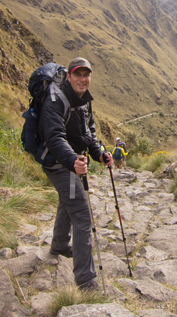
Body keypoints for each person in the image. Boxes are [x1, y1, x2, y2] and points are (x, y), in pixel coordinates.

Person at [38, 57, 113, 292]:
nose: (83, 79)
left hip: (73, 161)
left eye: (86, 74)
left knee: (67, 201)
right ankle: (86, 281)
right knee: (82, 215)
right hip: (57, 162)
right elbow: (55, 137)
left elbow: (88, 132)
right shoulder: (54, 100)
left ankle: (59, 246)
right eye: (77, 74)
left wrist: (99, 154)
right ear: (68, 76)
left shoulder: (84, 99)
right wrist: (72, 161)